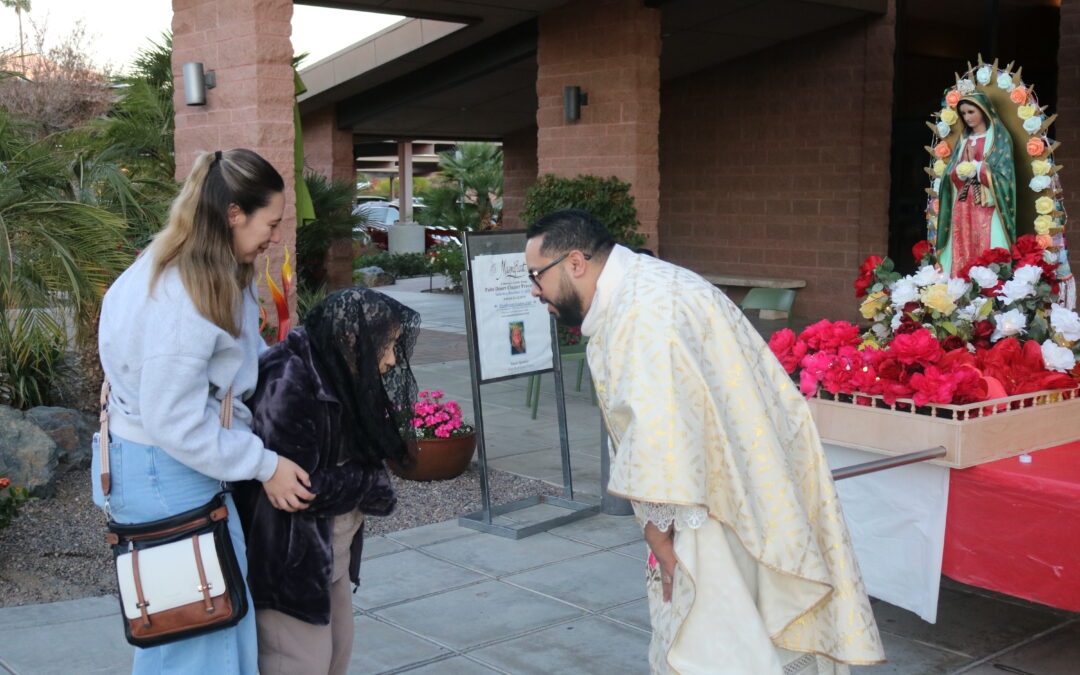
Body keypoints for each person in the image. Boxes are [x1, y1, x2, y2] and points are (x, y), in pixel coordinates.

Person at [524, 209, 885, 674]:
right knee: (752, 628)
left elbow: (660, 428)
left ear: (575, 262)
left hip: (705, 504)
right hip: (743, 478)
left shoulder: (640, 312)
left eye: (537, 275)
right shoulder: (653, 283)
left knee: (718, 643)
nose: (534, 290)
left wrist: (659, 536)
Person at [93, 148, 315, 674]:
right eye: (271, 223)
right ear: (234, 213)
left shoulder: (192, 270)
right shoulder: (181, 298)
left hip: (160, 468)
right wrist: (265, 465)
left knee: (188, 633)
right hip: (166, 472)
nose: (275, 237)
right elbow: (174, 420)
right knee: (204, 642)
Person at [235, 287, 419, 675]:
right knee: (301, 664)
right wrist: (371, 481)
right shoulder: (288, 380)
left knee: (337, 655)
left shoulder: (335, 369)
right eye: (386, 346)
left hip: (330, 554)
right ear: (352, 340)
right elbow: (298, 487)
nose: (391, 360)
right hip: (292, 563)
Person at [936, 91, 1017, 276]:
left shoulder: (999, 139)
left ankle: (991, 284)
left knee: (991, 244)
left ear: (983, 110)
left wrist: (978, 167)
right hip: (963, 204)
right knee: (962, 243)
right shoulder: (963, 140)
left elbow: (1006, 175)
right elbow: (950, 173)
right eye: (963, 113)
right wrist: (960, 171)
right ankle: (961, 281)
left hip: (988, 204)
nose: (967, 117)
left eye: (971, 112)